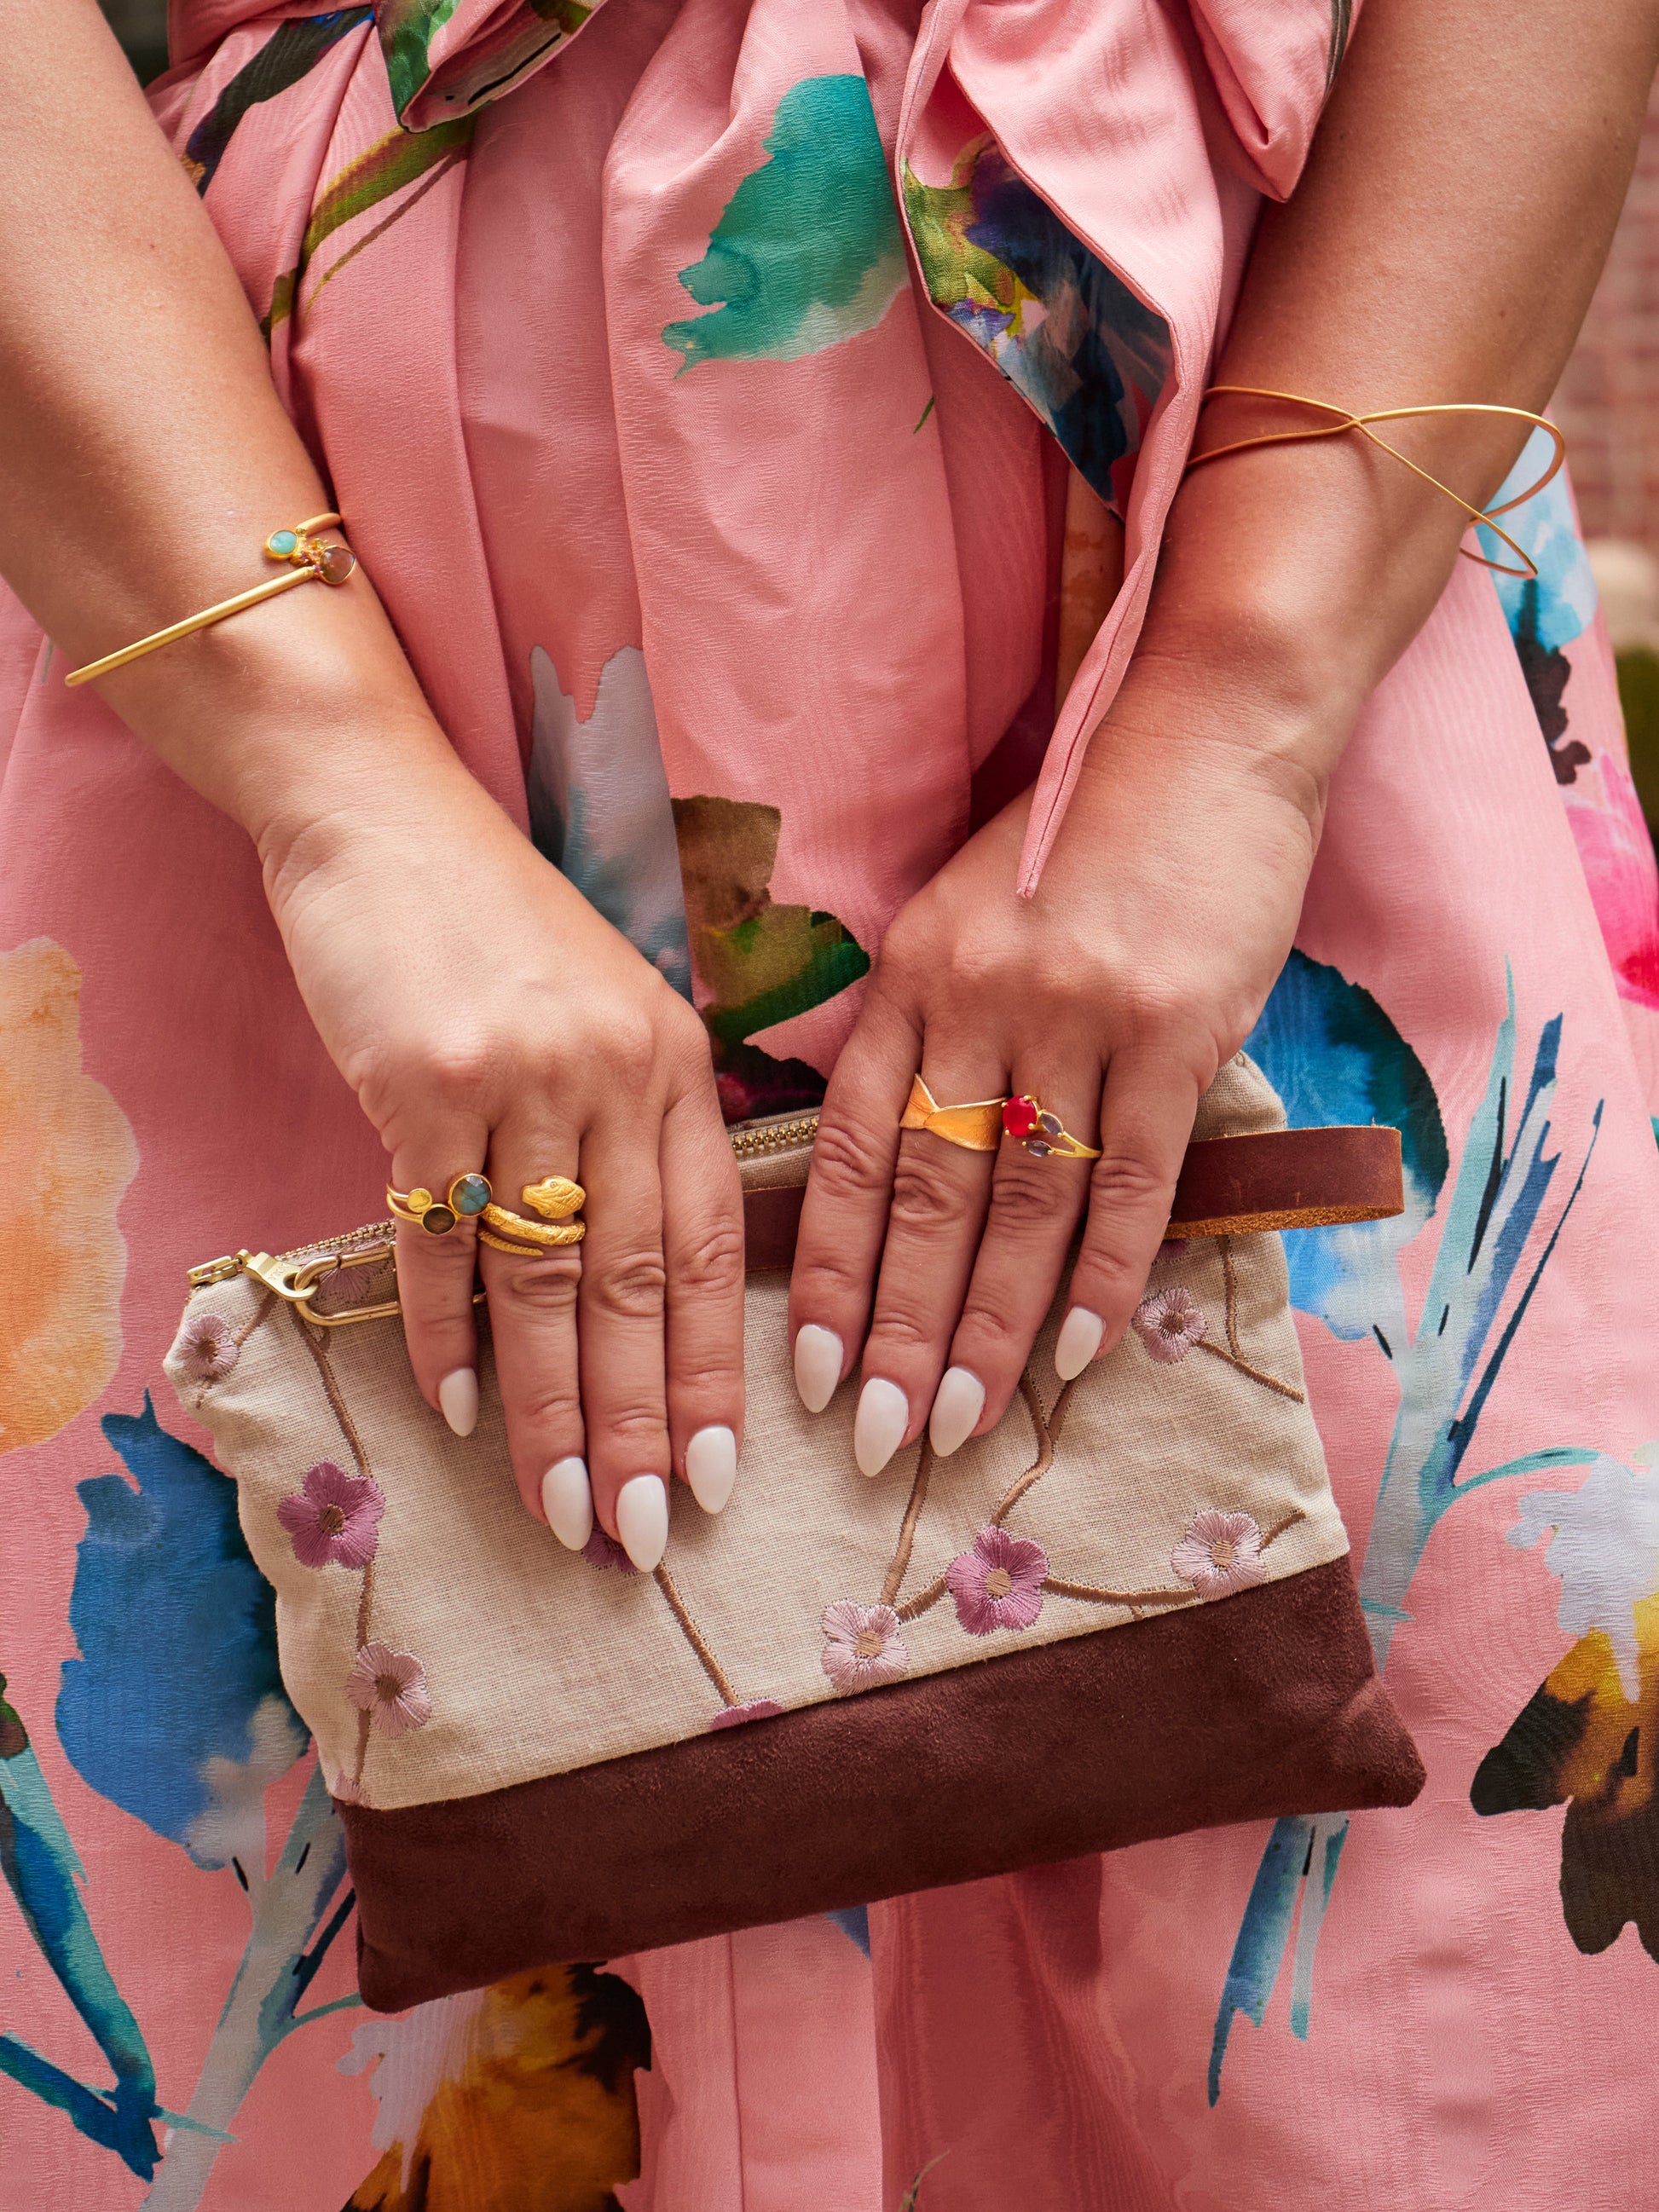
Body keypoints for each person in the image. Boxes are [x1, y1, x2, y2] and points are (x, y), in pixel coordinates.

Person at [3, 0, 1657, 2204]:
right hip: (286, 595)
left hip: (1292, 532)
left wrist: (1235, 715)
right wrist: (339, 801)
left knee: (1392, 2033)